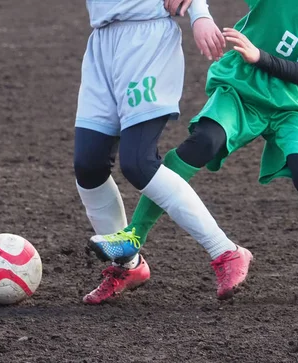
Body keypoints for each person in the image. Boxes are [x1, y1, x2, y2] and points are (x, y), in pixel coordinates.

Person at [88, 0, 298, 303]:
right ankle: (132, 236)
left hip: (297, 104)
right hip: (241, 89)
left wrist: (259, 56)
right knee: (203, 143)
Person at [75, 0, 253, 305]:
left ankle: (226, 252)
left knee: (138, 162)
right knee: (88, 166)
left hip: (146, 41)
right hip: (103, 42)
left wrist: (200, 13)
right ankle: (127, 266)